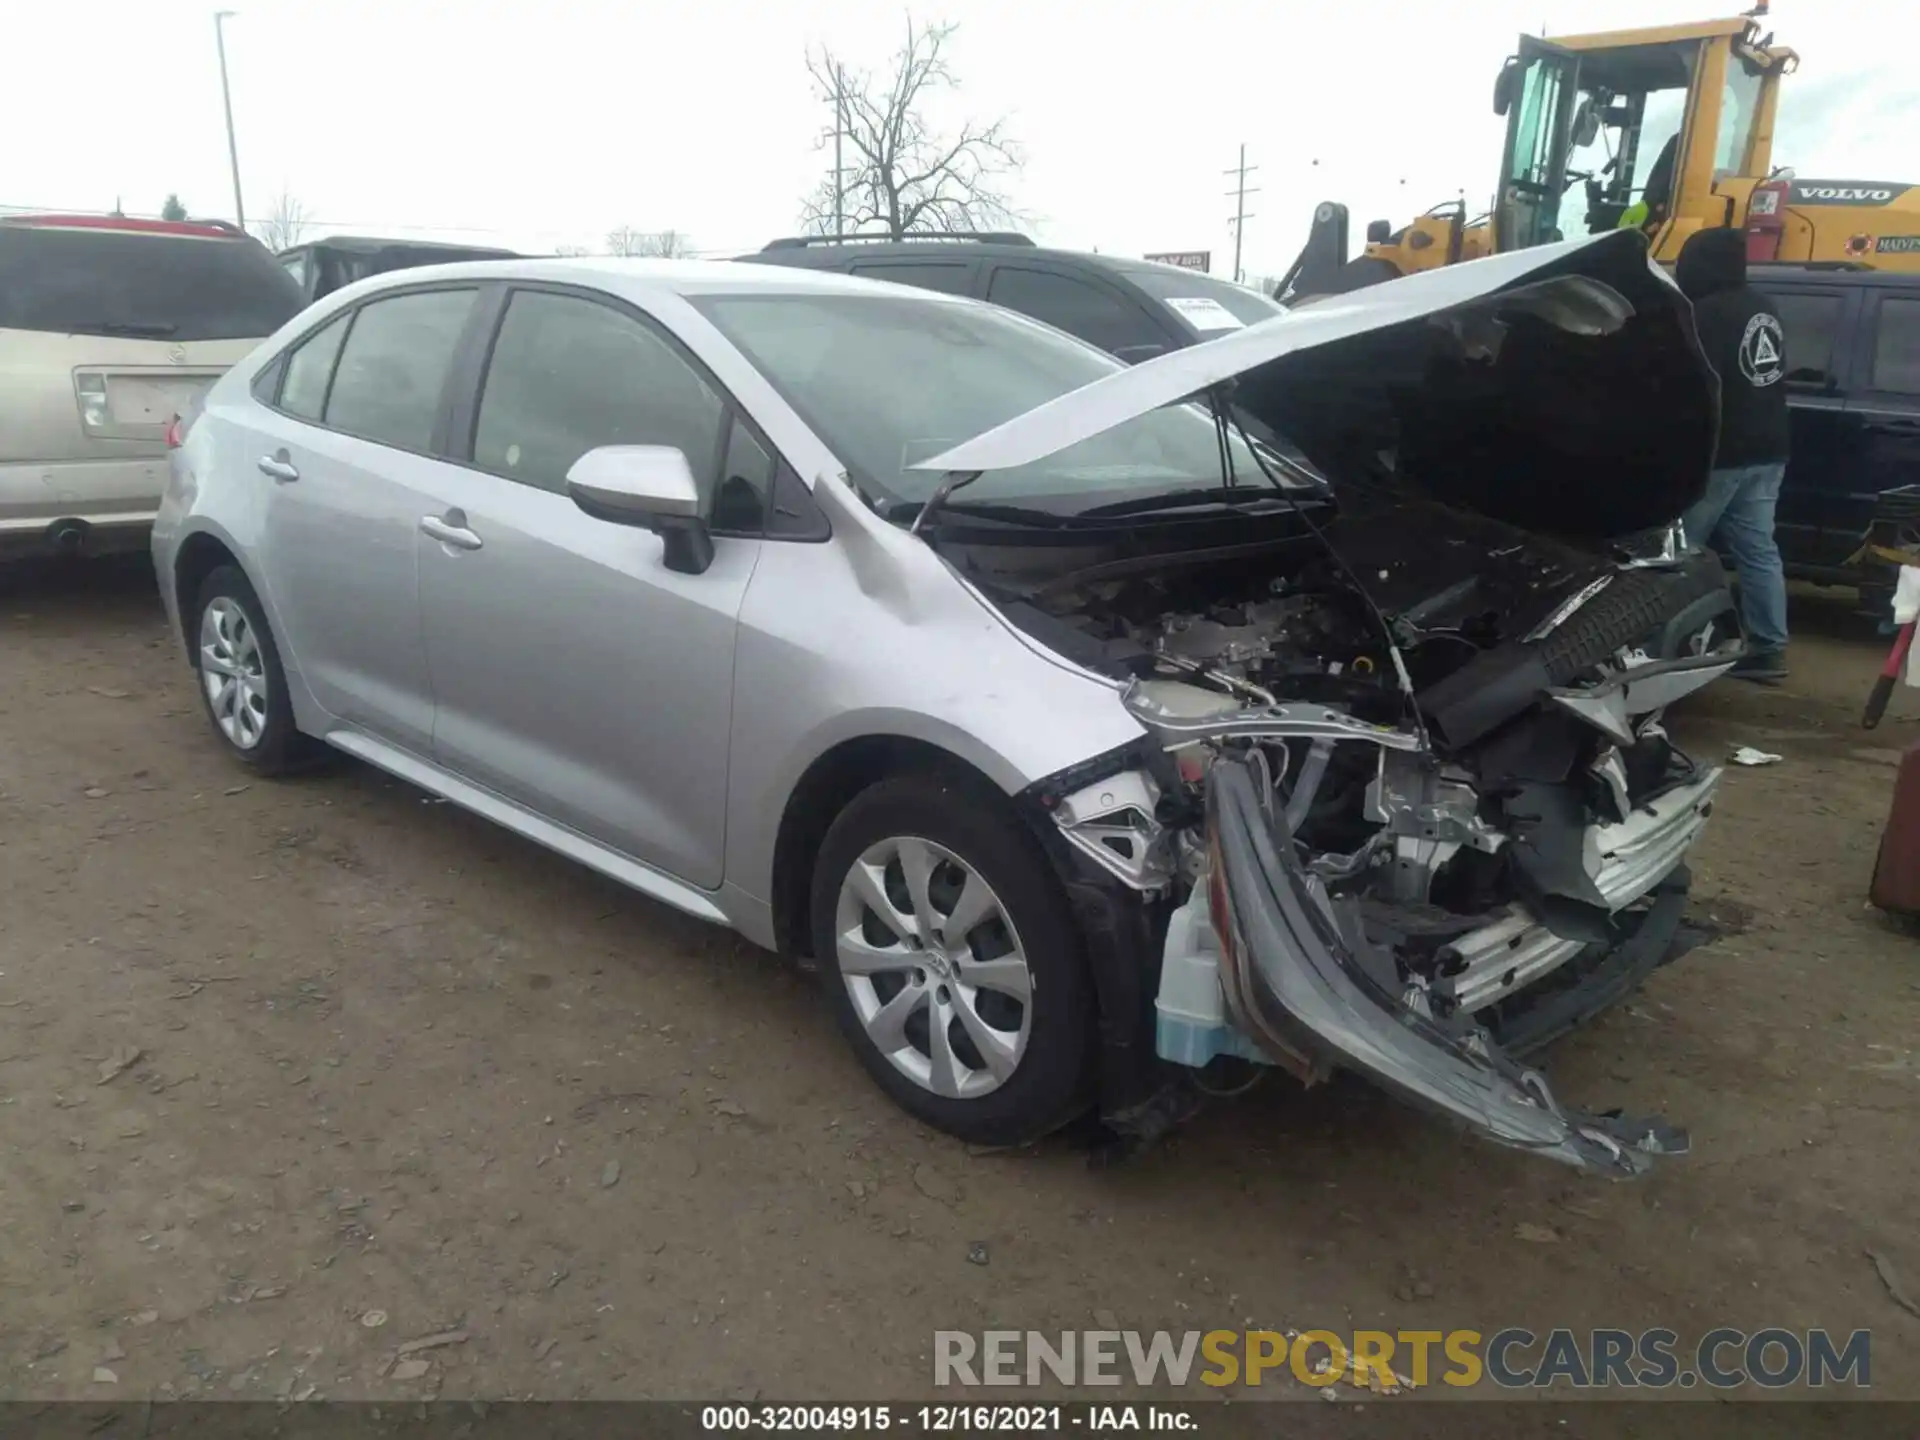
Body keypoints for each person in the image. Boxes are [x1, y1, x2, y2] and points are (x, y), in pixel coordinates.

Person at [1675, 226, 1792, 682]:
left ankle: (1665, 649)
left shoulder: (1705, 313)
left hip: (1722, 454)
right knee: (1759, 551)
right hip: (1769, 449)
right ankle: (1769, 649)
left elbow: (1694, 386)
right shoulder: (1764, 307)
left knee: (1678, 556)